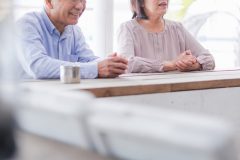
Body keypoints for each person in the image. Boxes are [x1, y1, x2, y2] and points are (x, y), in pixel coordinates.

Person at [17, 0, 128, 79]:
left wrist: (110, 64)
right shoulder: (27, 24)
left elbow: (87, 59)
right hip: (25, 104)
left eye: (83, 0)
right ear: (49, 2)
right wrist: (96, 69)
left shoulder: (74, 30)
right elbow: (39, 67)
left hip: (58, 98)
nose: (80, 6)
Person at [117, 0, 215, 73]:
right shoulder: (127, 28)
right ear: (141, 2)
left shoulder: (177, 28)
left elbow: (209, 59)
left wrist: (193, 65)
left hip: (176, 93)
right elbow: (126, 64)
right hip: (141, 94)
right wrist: (170, 64)